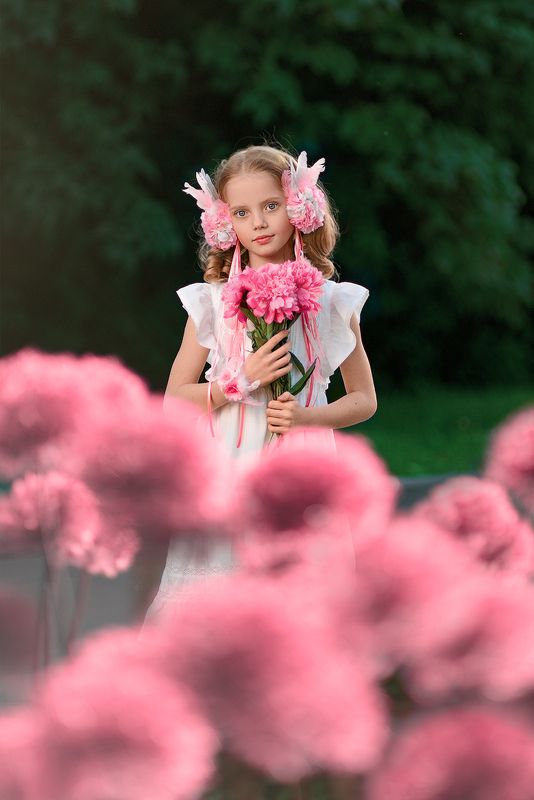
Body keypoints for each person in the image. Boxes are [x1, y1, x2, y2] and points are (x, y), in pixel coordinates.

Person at [145, 144, 377, 617]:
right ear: (225, 222)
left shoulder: (332, 301)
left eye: (271, 206)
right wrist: (237, 381)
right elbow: (175, 398)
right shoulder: (212, 302)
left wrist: (307, 416)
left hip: (302, 460)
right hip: (230, 459)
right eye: (243, 212)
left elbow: (364, 400)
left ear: (297, 208)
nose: (260, 222)